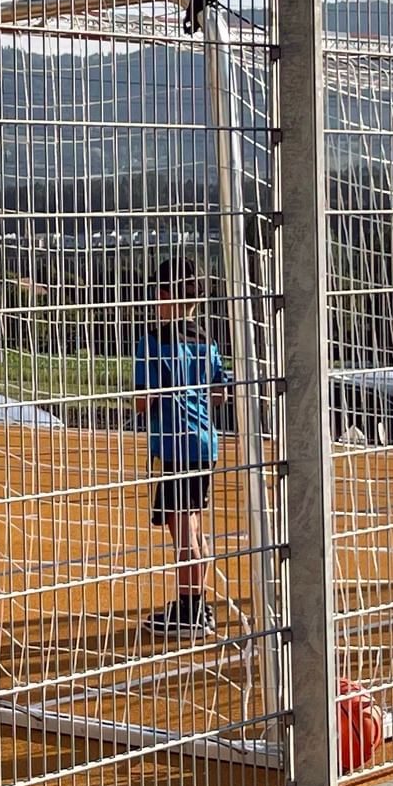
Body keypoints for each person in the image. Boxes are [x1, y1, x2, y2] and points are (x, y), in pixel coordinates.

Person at [133, 258, 233, 638]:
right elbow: (220, 390)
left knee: (183, 529)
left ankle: (190, 609)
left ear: (162, 294)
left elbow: (145, 399)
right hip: (205, 442)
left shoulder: (153, 341)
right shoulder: (205, 340)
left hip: (175, 442)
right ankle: (198, 604)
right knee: (193, 523)